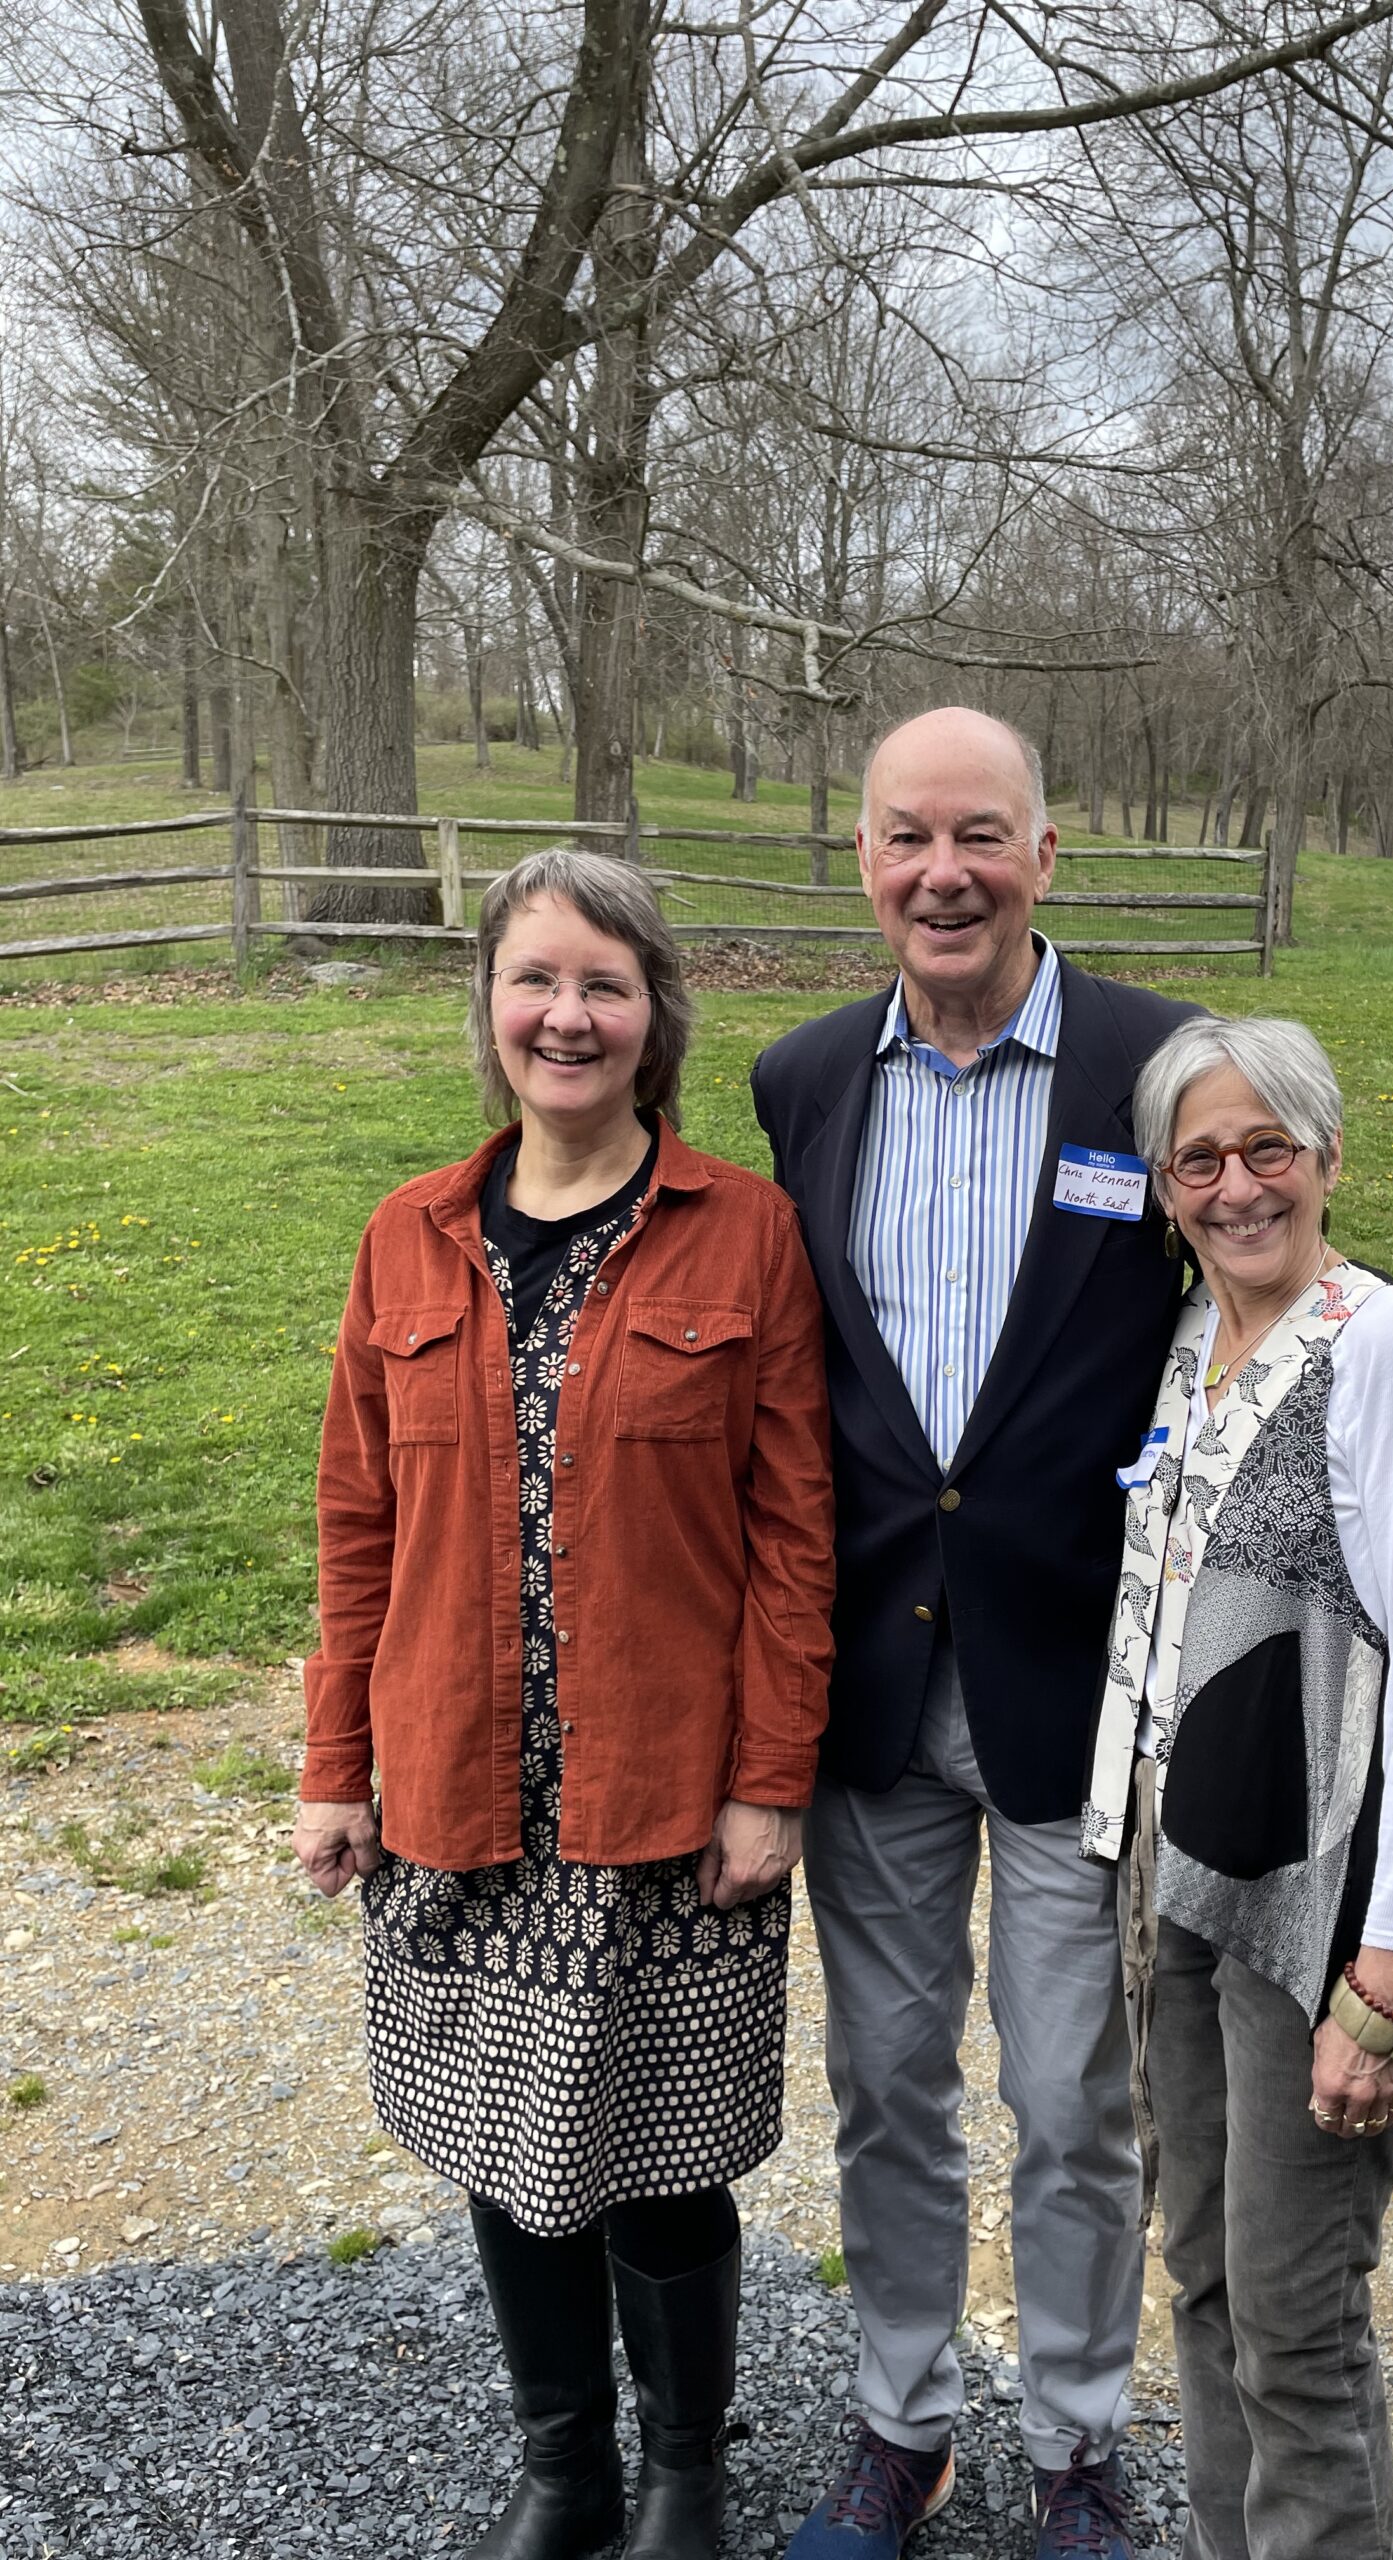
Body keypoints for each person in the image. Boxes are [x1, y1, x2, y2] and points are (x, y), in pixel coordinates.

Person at [293, 848, 835, 2560]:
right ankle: (566, 2471)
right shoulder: (407, 1237)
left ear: (655, 1017)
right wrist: (334, 1765)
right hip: (458, 1786)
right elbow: (357, 1522)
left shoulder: (744, 1234)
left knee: (666, 2155)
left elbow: (796, 1534)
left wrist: (770, 1780)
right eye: (534, 979)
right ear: (490, 1008)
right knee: (503, 2141)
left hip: (661, 1798)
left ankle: (684, 2473)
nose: (567, 1015)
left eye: (604, 984)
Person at [752, 708, 1197, 2560]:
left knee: (1078, 2098)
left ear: (1044, 853)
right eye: (908, 838)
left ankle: (1078, 2443)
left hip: (1074, 1683)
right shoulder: (800, 1081)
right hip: (871, 1680)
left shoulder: (1156, 1067)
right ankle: (903, 2425)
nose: (946, 875)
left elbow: (1257, 1292)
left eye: (982, 836)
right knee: (886, 2087)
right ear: (863, 859)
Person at [1081, 1012, 1393, 2560]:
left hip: (1315, 1898)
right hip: (1175, 1868)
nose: (1236, 1186)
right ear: (1165, 1188)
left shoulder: (1383, 1342)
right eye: (1198, 1159)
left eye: (1267, 1148)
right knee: (1202, 2276)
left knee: (1296, 2321)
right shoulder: (1188, 1341)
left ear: (1329, 1156)